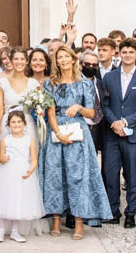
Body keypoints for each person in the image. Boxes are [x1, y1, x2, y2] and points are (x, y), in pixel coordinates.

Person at [39, 43, 108, 238]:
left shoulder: (85, 83)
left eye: (66, 57)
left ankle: (79, 222)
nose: (62, 60)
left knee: (78, 176)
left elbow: (93, 113)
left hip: (78, 130)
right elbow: (49, 111)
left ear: (72, 59)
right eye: (59, 58)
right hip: (57, 130)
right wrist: (57, 133)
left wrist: (78, 107)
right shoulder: (49, 84)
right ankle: (55, 220)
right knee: (55, 175)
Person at [99, 39, 136, 228]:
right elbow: (104, 105)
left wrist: (125, 122)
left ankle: (130, 212)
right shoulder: (109, 78)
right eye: (124, 52)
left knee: (132, 175)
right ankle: (113, 211)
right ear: (119, 53)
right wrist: (115, 123)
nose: (128, 55)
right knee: (110, 173)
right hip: (112, 134)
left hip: (134, 134)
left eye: (132, 52)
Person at [0, 47, 38, 234]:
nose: (19, 62)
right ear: (11, 61)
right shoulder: (2, 82)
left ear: (26, 62)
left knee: (24, 166)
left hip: (26, 125)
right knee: (3, 170)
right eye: (16, 59)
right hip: (7, 124)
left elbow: (38, 107)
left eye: (23, 59)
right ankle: (0, 220)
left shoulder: (33, 83)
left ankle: (20, 220)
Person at [0, 108, 44, 242]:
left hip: (22, 173)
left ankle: (15, 231)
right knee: (4, 200)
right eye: (13, 122)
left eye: (19, 122)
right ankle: (1, 231)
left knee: (19, 200)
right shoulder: (5, 140)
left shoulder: (29, 140)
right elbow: (0, 158)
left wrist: (31, 170)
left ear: (24, 124)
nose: (17, 124)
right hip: (7, 173)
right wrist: (4, 158)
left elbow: (34, 159)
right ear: (8, 125)